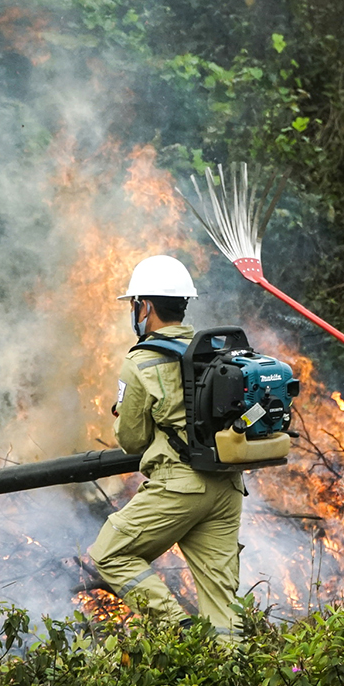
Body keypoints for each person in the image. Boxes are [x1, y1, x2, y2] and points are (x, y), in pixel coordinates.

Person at [88, 255, 246, 641]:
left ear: (145, 306)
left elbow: (132, 439)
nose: (133, 312)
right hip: (226, 486)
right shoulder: (214, 353)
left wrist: (121, 415)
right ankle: (234, 684)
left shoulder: (142, 362)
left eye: (134, 305)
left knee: (108, 553)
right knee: (221, 603)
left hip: (180, 487)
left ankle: (178, 628)